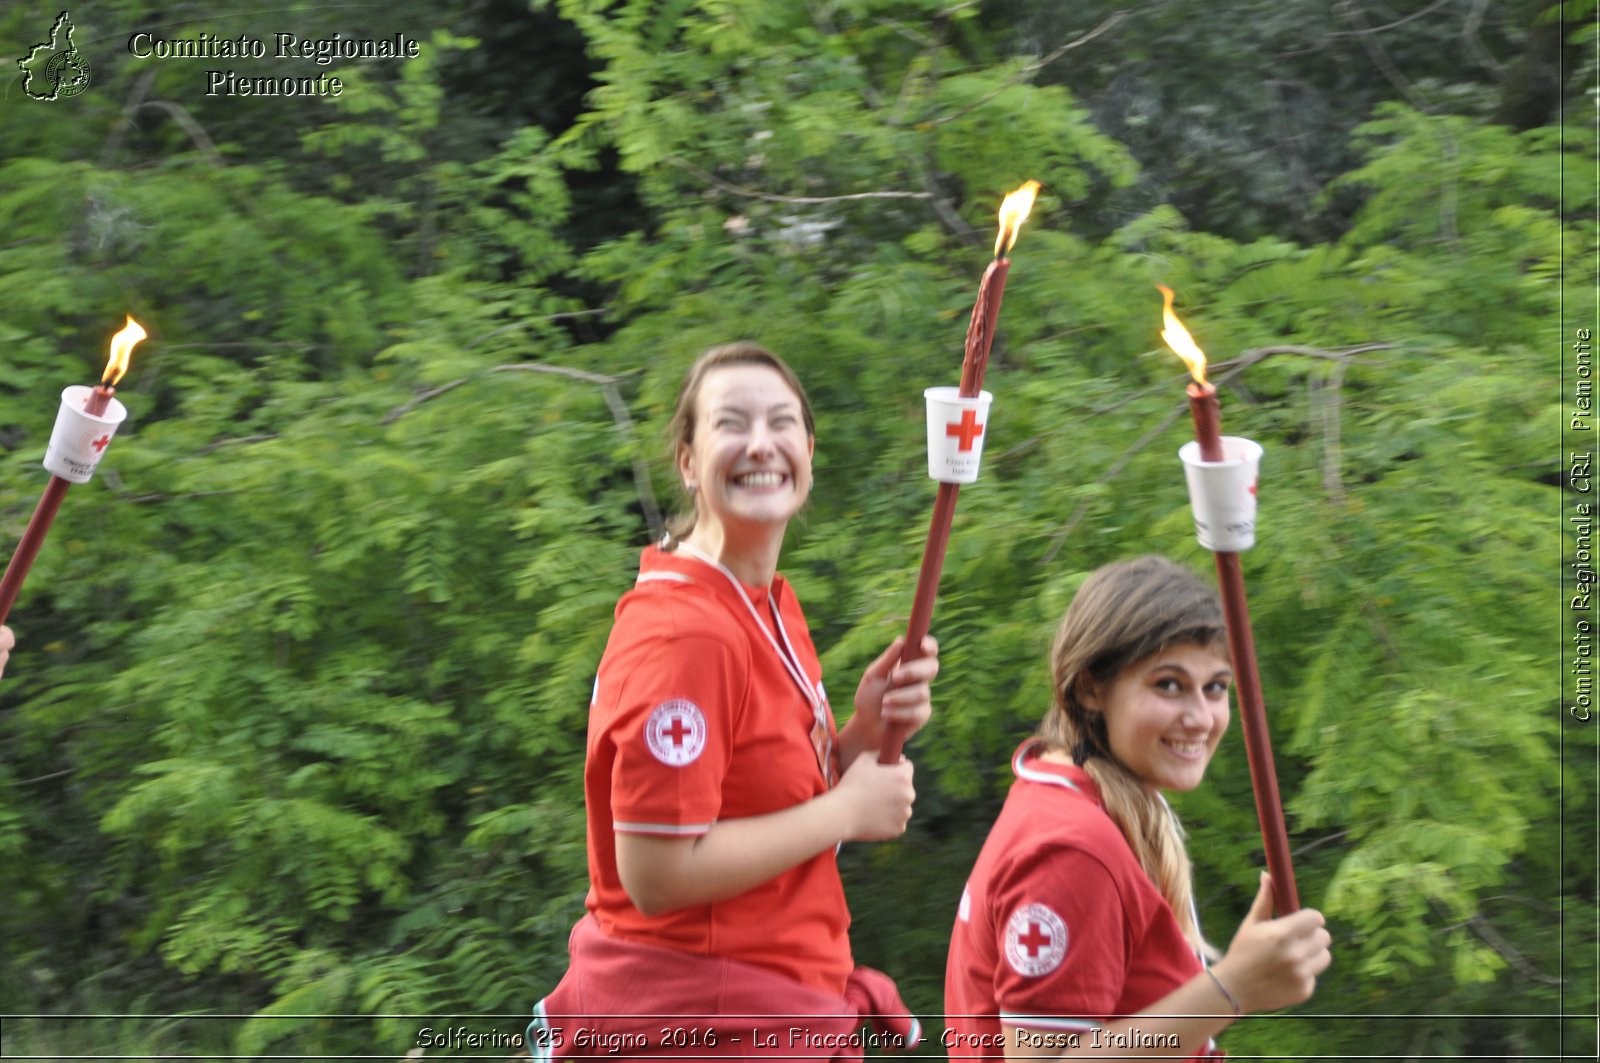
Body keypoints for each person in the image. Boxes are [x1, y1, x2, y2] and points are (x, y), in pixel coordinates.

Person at [531, 343, 940, 1059]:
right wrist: (848, 807)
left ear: (809, 452)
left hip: (777, 1002)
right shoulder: (686, 633)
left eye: (783, 422)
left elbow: (754, 807)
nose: (761, 443)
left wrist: (856, 738)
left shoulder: (765, 603)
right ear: (688, 460)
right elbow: (657, 873)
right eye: (731, 423)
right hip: (705, 1023)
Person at [945, 556, 1331, 1059]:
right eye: (1168, 684)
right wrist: (1231, 988)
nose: (1200, 717)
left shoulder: (1074, 800)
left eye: (1215, 687)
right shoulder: (1072, 849)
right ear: (1090, 689)